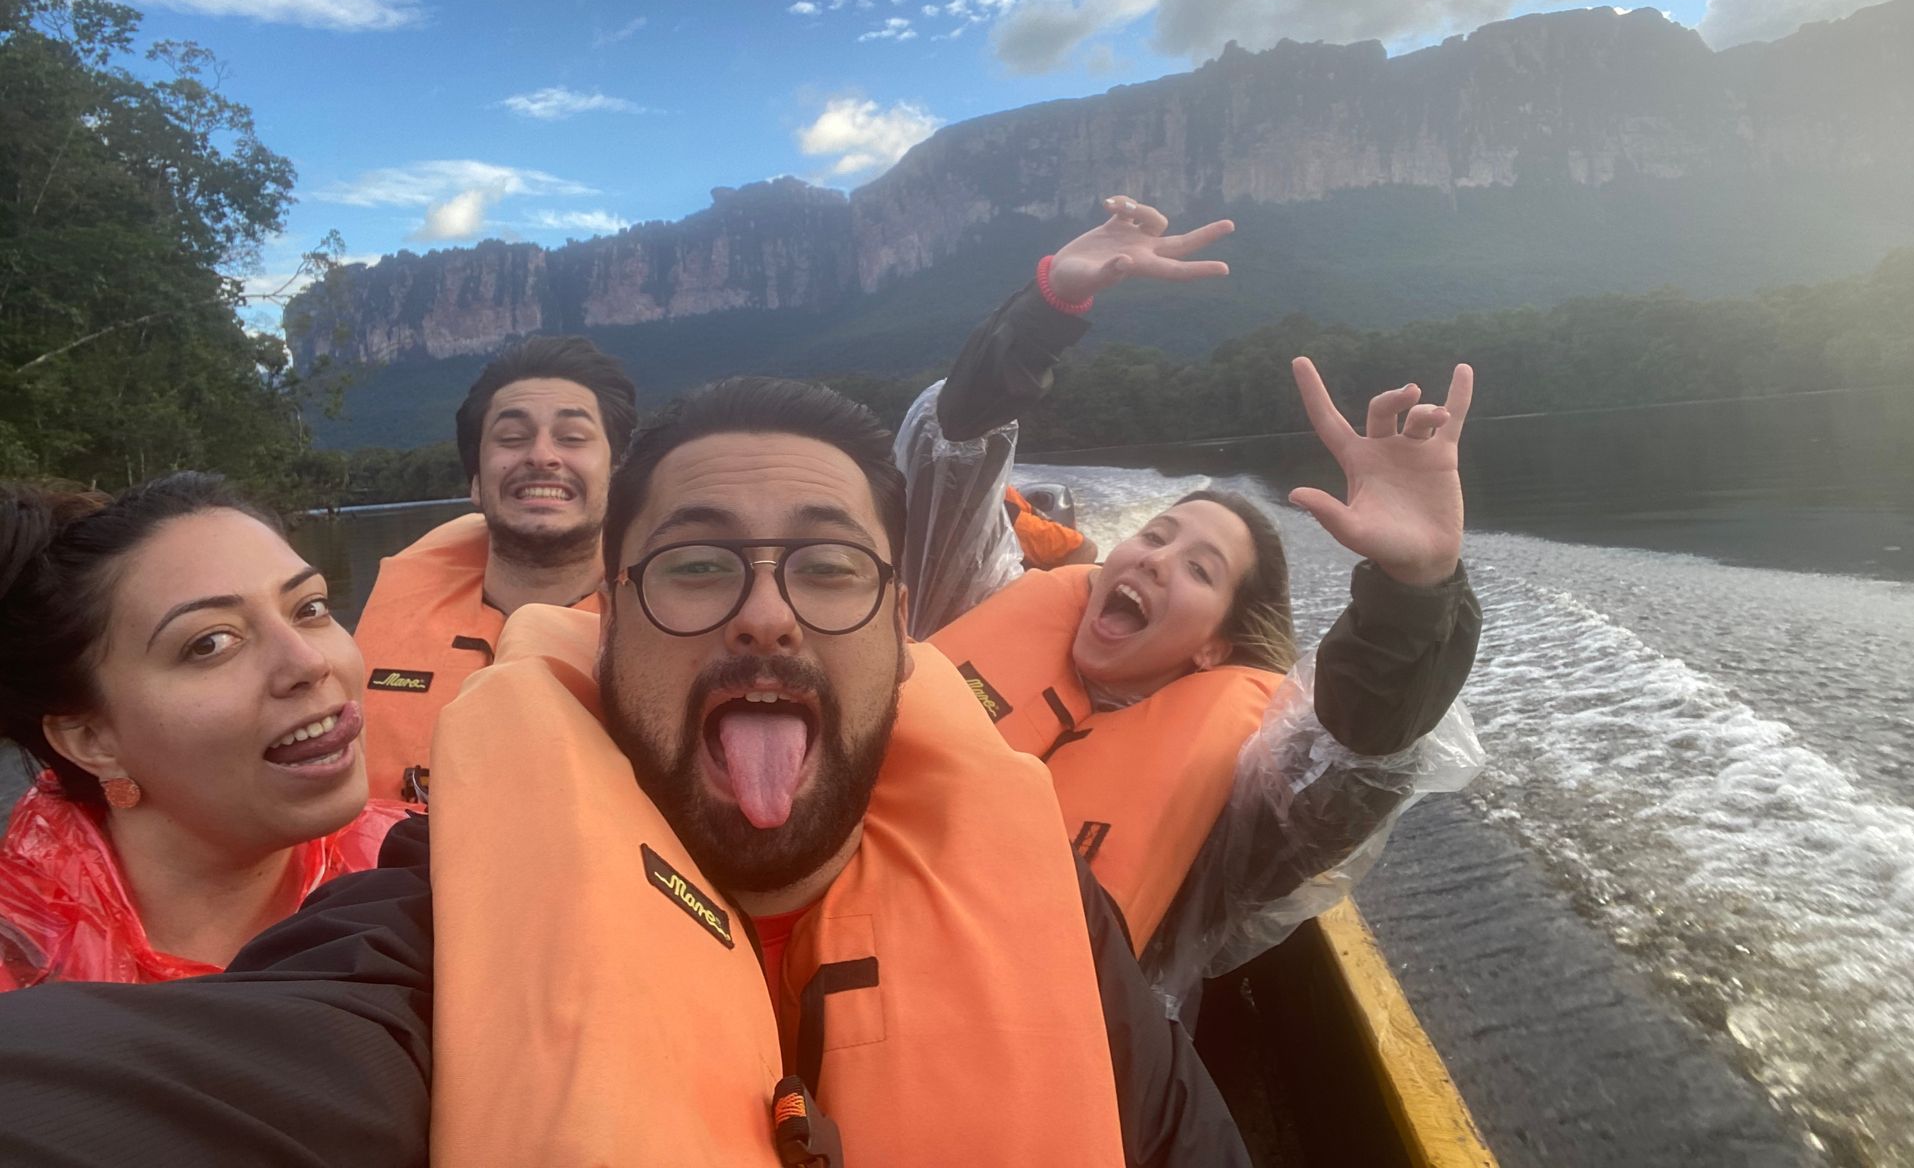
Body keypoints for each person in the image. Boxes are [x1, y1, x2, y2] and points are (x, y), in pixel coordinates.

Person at [0, 380, 1249, 1168]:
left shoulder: (1048, 913)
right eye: (697, 568)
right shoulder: (441, 916)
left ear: (901, 622)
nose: (765, 617)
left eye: (826, 569)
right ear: (610, 615)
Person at [899, 196, 1484, 1001]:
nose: (1157, 559)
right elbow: (951, 458)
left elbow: (1358, 756)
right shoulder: (973, 600)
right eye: (1156, 536)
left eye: (1202, 571)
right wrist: (1047, 311)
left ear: (1216, 644)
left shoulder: (1238, 794)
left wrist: (1415, 588)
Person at [0, 474, 408, 989]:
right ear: (91, 740)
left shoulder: (434, 877)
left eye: (310, 608)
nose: (308, 661)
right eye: (211, 643)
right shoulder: (23, 976)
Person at [355, 334, 638, 803]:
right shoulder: (386, 613)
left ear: (617, 478)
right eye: (511, 438)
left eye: (572, 438)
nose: (542, 456)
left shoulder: (672, 638)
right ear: (476, 484)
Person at [1005, 482, 1099, 566]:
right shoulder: (1006, 513)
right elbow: (1084, 548)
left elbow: (1028, 509)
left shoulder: (1003, 491)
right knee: (1087, 548)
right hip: (1006, 519)